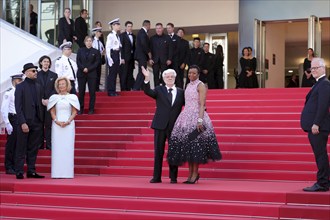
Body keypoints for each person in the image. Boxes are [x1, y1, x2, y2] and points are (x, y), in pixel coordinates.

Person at [167, 65, 222, 184]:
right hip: (185, 117)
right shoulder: (187, 85)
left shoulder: (201, 85)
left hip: (197, 117)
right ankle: (190, 174)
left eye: (194, 73)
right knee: (189, 147)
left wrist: (200, 120)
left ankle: (195, 174)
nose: (191, 75)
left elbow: (202, 104)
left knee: (196, 147)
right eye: (189, 73)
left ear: (198, 74)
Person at [142, 67, 184, 183]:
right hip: (160, 125)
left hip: (175, 126)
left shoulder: (181, 92)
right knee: (158, 152)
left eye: (172, 76)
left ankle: (173, 177)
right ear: (164, 78)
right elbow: (147, 91)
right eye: (167, 76)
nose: (169, 78)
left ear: (175, 78)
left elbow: (189, 104)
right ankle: (156, 177)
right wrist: (146, 78)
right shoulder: (159, 90)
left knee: (174, 152)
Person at [301, 58, 330, 192]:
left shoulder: (324, 84)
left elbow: (323, 106)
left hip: (318, 127)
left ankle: (323, 183)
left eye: (315, 68)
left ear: (323, 68)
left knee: (320, 155)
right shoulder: (319, 83)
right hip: (316, 126)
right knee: (320, 154)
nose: (313, 71)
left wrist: (316, 123)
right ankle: (324, 181)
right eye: (311, 69)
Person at [15, 63, 45, 179]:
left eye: (36, 71)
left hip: (37, 122)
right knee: (21, 147)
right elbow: (18, 107)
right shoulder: (20, 87)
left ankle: (31, 171)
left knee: (33, 148)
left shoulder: (39, 86)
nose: (35, 72)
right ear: (26, 73)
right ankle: (19, 171)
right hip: (25, 122)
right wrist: (22, 122)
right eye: (33, 71)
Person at [47, 77, 80, 178]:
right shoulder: (54, 97)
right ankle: (56, 173)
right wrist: (57, 121)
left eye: (63, 84)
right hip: (57, 125)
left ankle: (67, 173)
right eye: (59, 84)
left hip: (68, 124)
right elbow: (52, 111)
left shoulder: (73, 97)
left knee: (67, 147)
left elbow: (75, 111)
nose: (61, 86)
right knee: (57, 148)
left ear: (67, 85)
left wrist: (68, 121)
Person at [1, 74, 23, 174]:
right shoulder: (9, 93)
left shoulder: (22, 91)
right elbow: (4, 109)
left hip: (20, 119)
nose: (20, 82)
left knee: (19, 144)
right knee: (11, 144)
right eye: (19, 80)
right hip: (13, 118)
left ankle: (15, 165)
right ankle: (9, 166)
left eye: (21, 80)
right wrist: (7, 123)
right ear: (14, 81)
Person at [37, 55, 58, 150]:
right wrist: (41, 99)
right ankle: (40, 144)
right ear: (41, 62)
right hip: (39, 103)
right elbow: (35, 89)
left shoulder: (54, 75)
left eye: (48, 62)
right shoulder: (36, 74)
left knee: (48, 124)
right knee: (39, 124)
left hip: (50, 103)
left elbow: (55, 89)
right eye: (44, 61)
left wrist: (49, 100)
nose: (46, 63)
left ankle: (49, 144)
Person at [77, 36, 101, 114]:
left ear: (92, 42)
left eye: (90, 41)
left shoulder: (96, 51)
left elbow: (97, 63)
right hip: (81, 73)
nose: (89, 42)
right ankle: (81, 108)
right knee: (81, 92)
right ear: (85, 42)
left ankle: (91, 109)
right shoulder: (80, 50)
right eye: (87, 41)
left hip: (92, 74)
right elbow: (78, 61)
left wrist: (88, 69)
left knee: (92, 92)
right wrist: (83, 68)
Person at [106, 18, 123, 96]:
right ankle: (110, 91)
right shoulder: (111, 35)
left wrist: (119, 58)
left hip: (116, 54)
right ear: (113, 26)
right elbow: (108, 47)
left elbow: (119, 48)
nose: (119, 26)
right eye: (117, 24)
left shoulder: (117, 36)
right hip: (113, 55)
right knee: (112, 74)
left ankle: (113, 90)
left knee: (115, 74)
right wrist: (109, 58)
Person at [133, 20, 152, 91]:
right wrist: (149, 52)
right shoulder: (142, 33)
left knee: (142, 71)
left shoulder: (142, 32)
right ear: (147, 25)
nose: (150, 27)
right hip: (141, 55)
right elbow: (144, 44)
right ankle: (136, 88)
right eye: (150, 25)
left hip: (141, 55)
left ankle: (141, 88)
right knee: (142, 71)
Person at [120, 21, 136, 91]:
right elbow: (121, 48)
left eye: (131, 26)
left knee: (130, 74)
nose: (130, 28)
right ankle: (123, 89)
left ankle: (128, 89)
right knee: (124, 74)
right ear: (126, 27)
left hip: (131, 58)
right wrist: (122, 58)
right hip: (124, 58)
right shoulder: (122, 35)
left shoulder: (134, 36)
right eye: (128, 26)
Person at [92, 27, 105, 91]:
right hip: (94, 60)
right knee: (95, 74)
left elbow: (102, 50)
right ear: (96, 33)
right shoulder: (93, 41)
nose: (100, 33)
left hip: (99, 59)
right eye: (99, 32)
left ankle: (97, 87)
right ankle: (94, 87)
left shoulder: (100, 42)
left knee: (98, 73)